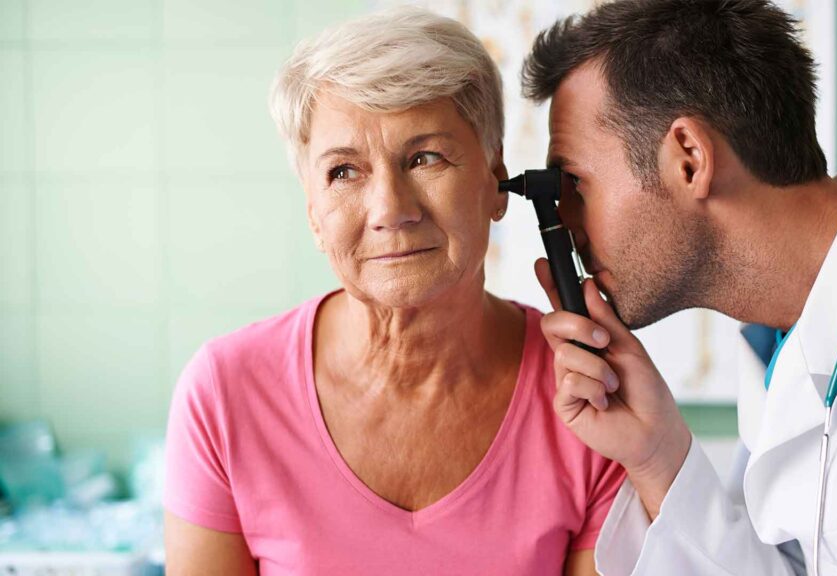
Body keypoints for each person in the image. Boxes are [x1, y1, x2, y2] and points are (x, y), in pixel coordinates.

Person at [519, 0, 837, 574]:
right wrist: (656, 455)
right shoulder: (779, 354)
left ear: (689, 159)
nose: (566, 224)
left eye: (575, 184)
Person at [162, 8, 624, 575]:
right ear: (313, 211)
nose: (391, 211)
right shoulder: (223, 396)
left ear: (494, 180)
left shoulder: (586, 396)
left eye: (425, 157)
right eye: (343, 172)